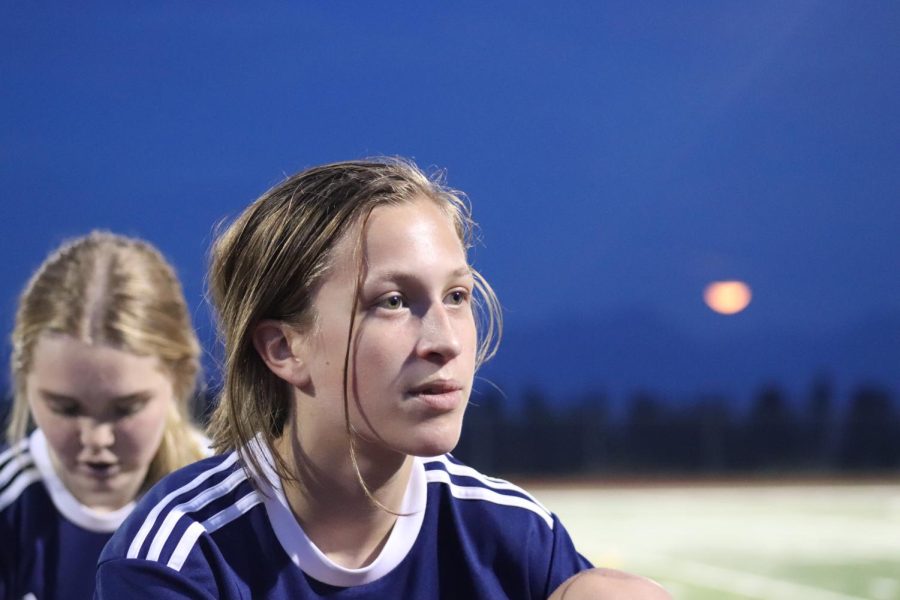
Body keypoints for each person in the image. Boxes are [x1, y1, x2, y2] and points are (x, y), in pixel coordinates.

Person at [96, 159, 669, 599]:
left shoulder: (514, 537)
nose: (444, 340)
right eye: (393, 302)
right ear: (283, 347)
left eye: (457, 296)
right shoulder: (180, 555)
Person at [0, 231, 209, 600]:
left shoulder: (241, 509)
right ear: (24, 380)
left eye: (126, 408)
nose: (96, 439)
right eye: (66, 408)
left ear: (180, 378)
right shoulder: (11, 509)